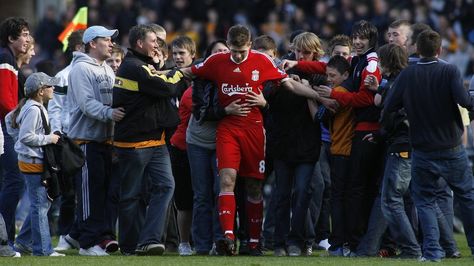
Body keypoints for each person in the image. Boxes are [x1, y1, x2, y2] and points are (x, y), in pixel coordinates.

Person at [179, 24, 335, 256]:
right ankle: (228, 238)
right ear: (228, 45)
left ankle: (254, 241)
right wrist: (160, 74)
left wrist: (317, 97)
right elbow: (188, 71)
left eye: (241, 51)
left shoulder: (262, 62)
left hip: (254, 130)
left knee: (253, 186)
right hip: (228, 130)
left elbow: (288, 84)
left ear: (250, 46)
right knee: (227, 180)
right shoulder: (217, 61)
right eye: (233, 51)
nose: (237, 56)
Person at [383, 29, 474, 262]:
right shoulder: (450, 70)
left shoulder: (407, 75)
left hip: (422, 149)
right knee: (466, 196)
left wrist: (405, 114)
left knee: (425, 201)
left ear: (416, 49)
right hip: (451, 146)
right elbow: (465, 102)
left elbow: (389, 106)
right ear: (440, 50)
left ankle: (432, 252)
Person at [113, 24, 184, 256]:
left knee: (165, 186)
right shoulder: (133, 66)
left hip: (155, 140)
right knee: (131, 195)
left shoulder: (142, 66)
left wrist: (158, 66)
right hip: (134, 143)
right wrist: (181, 72)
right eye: (153, 41)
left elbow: (155, 87)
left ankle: (150, 240)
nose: (157, 45)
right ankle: (129, 244)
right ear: (139, 43)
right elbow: (166, 87)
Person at [67, 25, 124, 256]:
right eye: (107, 40)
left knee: (103, 192)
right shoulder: (80, 68)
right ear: (92, 43)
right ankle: (87, 244)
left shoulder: (106, 70)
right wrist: (110, 114)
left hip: (104, 141)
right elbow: (86, 104)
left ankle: (99, 238)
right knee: (90, 193)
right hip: (86, 141)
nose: (111, 44)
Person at [10, 72, 64, 256]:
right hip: (34, 164)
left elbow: (11, 122)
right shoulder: (34, 109)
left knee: (41, 205)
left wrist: (18, 143)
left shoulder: (29, 106)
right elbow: (26, 136)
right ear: (41, 91)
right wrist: (50, 138)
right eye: (50, 86)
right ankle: (43, 250)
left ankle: (24, 242)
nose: (53, 88)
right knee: (40, 206)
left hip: (32, 161)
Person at [48, 29, 84, 252]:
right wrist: (58, 134)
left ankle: (81, 233)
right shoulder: (62, 76)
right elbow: (55, 107)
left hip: (89, 137)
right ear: (79, 48)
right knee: (69, 191)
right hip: (69, 139)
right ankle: (65, 233)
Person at [0, 16, 31, 245]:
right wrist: (16, 119)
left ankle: (7, 237)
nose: (28, 40)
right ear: (11, 38)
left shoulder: (9, 58)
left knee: (11, 181)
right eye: (24, 34)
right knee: (15, 180)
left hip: (5, 124)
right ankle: (5, 238)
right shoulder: (4, 58)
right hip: (4, 125)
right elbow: (4, 100)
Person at [169, 35, 195, 256]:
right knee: (184, 198)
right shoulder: (168, 80)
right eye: (175, 53)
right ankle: (183, 242)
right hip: (177, 145)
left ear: (192, 55)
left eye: (181, 53)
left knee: (205, 196)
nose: (177, 58)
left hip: (202, 145)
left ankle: (206, 239)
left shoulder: (205, 78)